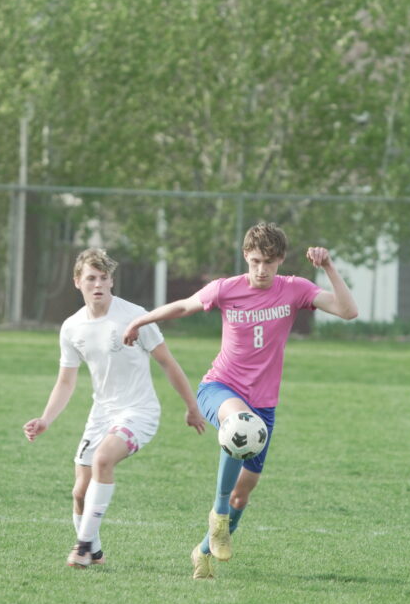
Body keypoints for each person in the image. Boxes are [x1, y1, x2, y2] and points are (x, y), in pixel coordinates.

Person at [122, 222, 358, 579]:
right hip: (219, 388)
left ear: (281, 260)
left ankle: (203, 550)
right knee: (239, 426)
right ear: (246, 256)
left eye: (269, 262)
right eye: (255, 261)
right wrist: (141, 320)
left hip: (263, 405)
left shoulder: (294, 289)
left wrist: (327, 267)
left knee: (242, 495)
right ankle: (217, 517)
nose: (261, 270)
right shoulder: (226, 289)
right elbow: (184, 306)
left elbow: (348, 311)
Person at [23, 248, 206, 568]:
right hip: (101, 414)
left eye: (104, 278)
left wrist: (192, 407)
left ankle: (82, 546)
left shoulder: (135, 317)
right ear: (77, 281)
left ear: (111, 281)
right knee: (79, 493)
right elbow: (65, 381)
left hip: (140, 411)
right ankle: (95, 552)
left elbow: (167, 362)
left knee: (103, 459)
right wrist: (46, 419)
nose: (98, 284)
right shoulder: (72, 327)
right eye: (91, 278)